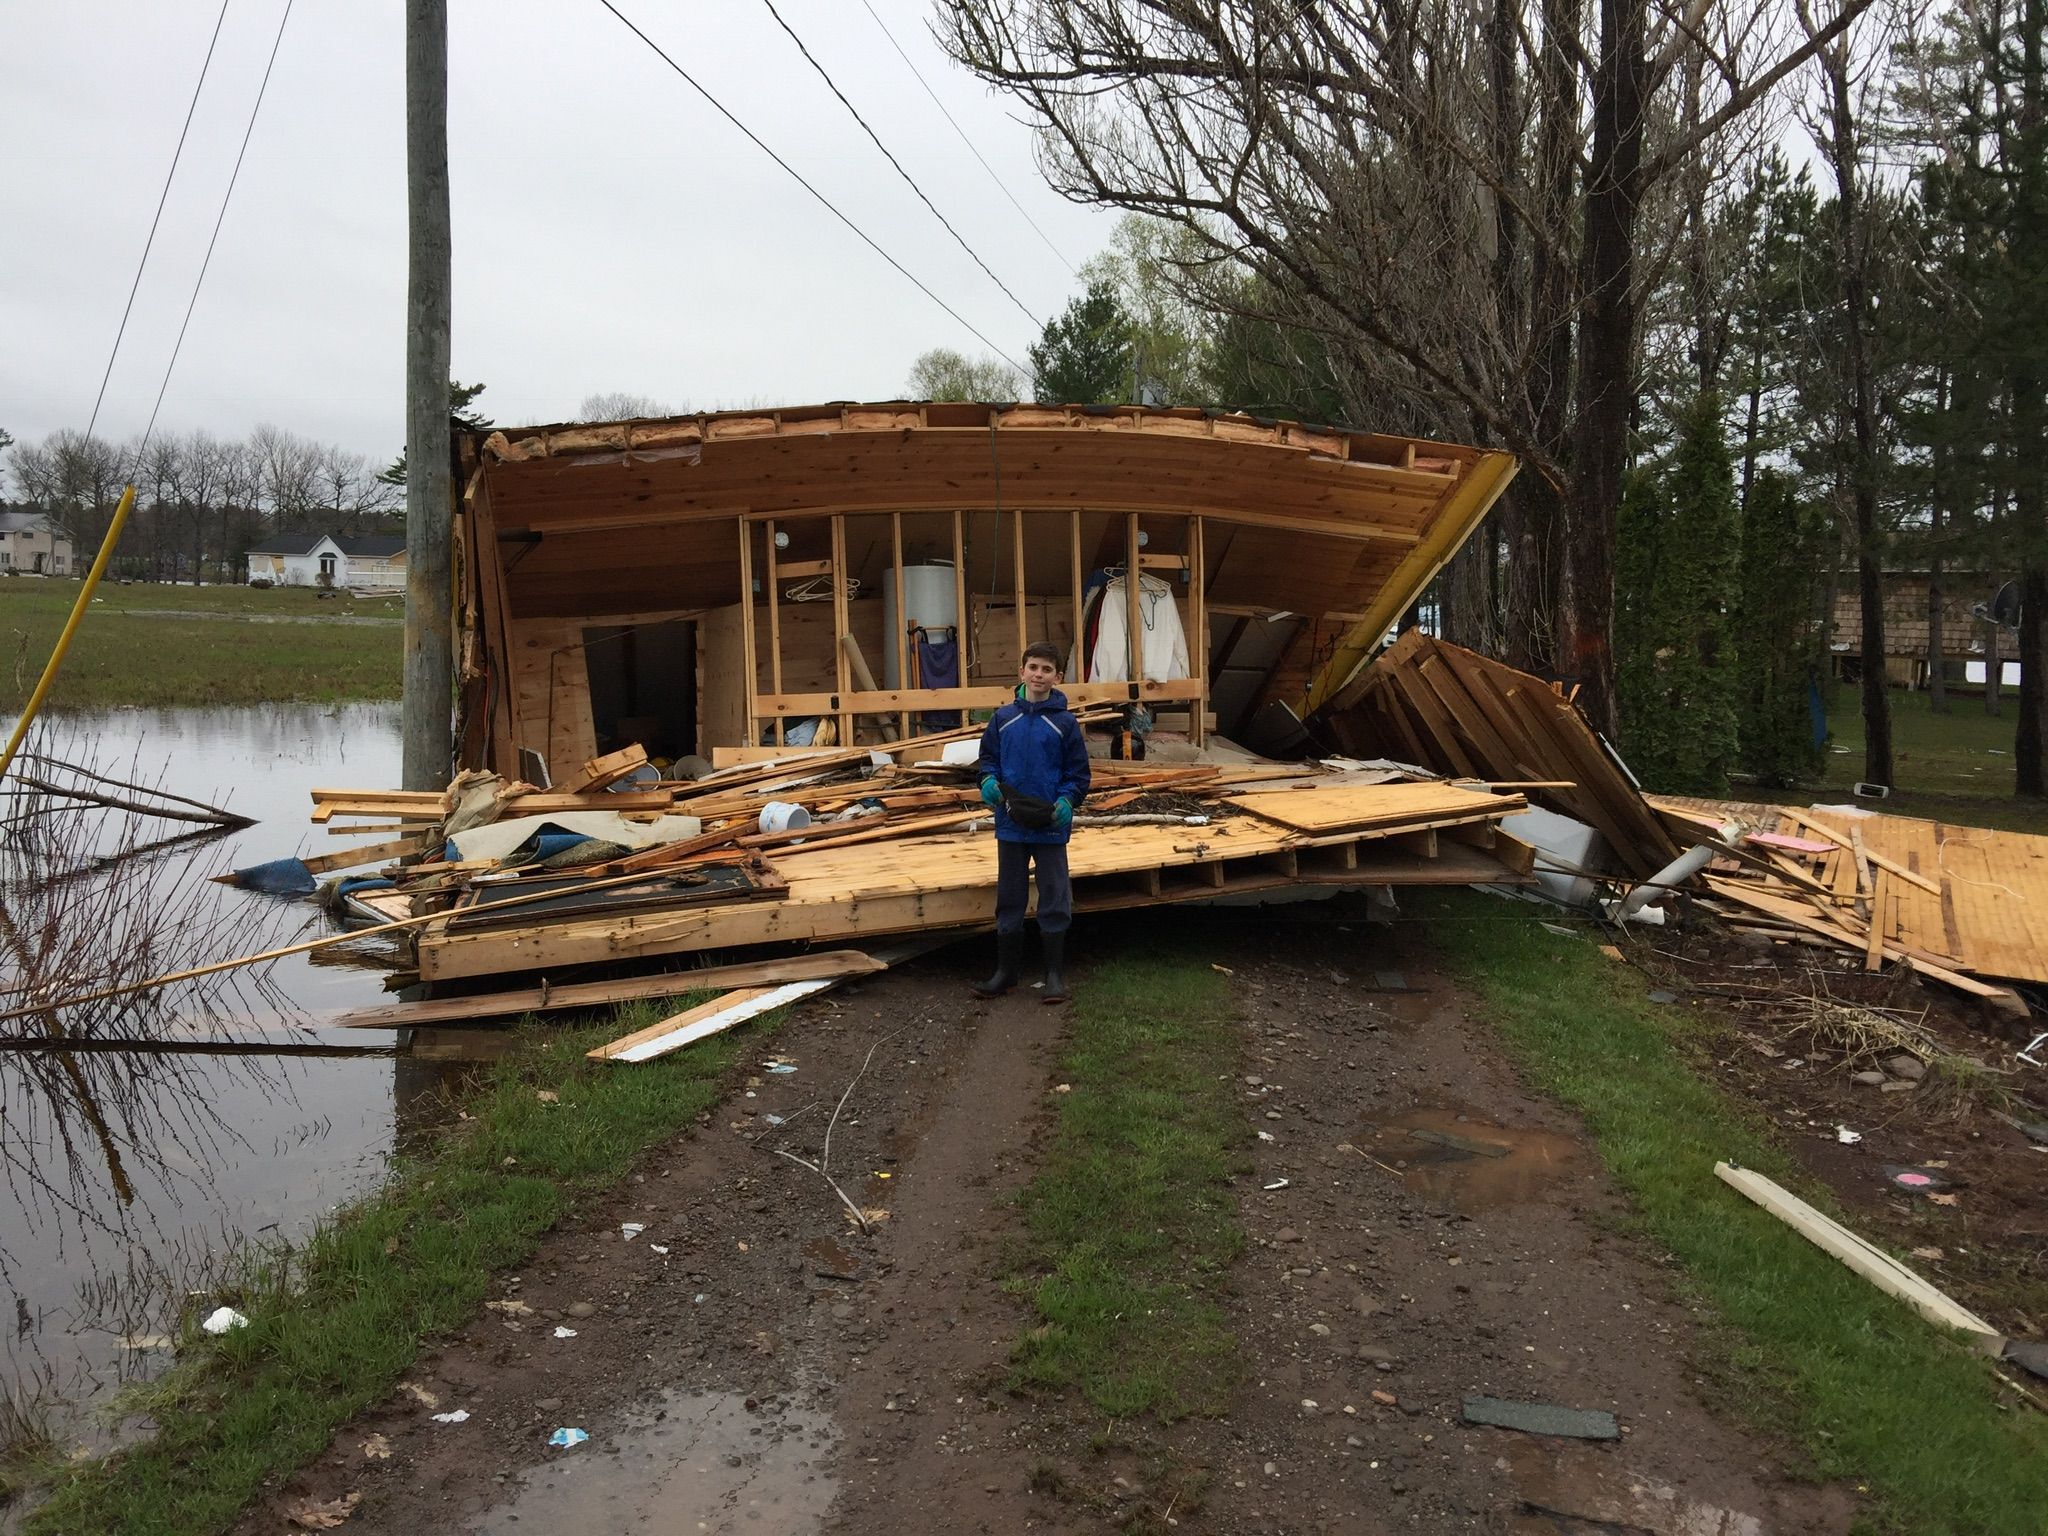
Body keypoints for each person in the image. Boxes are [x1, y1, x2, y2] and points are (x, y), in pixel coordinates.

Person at [972, 640, 1090, 1002]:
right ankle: (1006, 973)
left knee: (1054, 899)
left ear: (1057, 677)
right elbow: (988, 760)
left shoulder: (1065, 723)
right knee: (1010, 898)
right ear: (1021, 671)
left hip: (1050, 822)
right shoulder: (1002, 719)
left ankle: (1054, 976)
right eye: (1033, 667)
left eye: (1047, 669)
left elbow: (1078, 773)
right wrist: (988, 782)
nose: (1039, 675)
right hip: (1011, 822)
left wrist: (1068, 800)